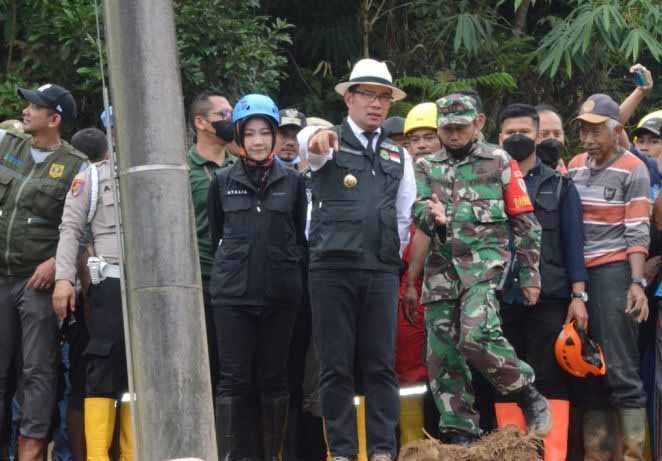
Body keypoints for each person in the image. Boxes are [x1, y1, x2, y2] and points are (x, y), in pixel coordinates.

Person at [413, 93, 550, 445]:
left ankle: (525, 391)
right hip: (441, 272)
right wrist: (432, 216)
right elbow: (418, 210)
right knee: (442, 355)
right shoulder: (427, 166)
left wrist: (530, 274)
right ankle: (459, 431)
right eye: (447, 128)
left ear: (478, 123)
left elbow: (525, 222)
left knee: (477, 336)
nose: (454, 134)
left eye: (461, 127)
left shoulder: (500, 161)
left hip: (483, 268)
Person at [300, 58, 415, 461]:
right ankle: (344, 452)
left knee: (381, 363)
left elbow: (405, 214)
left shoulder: (398, 156)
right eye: (368, 94)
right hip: (332, 268)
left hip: (381, 269)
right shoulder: (328, 141)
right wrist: (315, 137)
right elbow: (309, 146)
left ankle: (384, 449)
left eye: (384, 97)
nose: (376, 104)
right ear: (349, 97)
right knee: (335, 366)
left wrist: (388, 255)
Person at [207, 94, 307, 461]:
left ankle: (275, 455)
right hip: (232, 297)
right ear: (239, 137)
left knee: (275, 380)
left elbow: (300, 236)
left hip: (281, 295)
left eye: (265, 132)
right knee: (232, 381)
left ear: (276, 135)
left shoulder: (294, 183)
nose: (259, 140)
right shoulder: (221, 181)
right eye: (250, 133)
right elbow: (216, 231)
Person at [494, 104, 587, 461]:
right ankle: (513, 455)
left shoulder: (559, 185)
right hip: (499, 298)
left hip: (549, 297)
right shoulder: (488, 182)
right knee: (505, 378)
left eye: (524, 131)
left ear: (537, 135)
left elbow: (573, 243)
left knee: (549, 379)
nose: (517, 138)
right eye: (509, 133)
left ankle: (552, 456)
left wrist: (579, 294)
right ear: (498, 138)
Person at [0, 83, 87, 460]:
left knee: (38, 371)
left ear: (55, 119)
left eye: (35, 107)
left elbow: (83, 226)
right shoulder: (7, 146)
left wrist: (57, 262)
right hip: (0, 278)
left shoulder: (76, 164)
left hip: (37, 283)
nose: (26, 110)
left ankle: (31, 451)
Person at [568, 93, 651, 460]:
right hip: (579, 275)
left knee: (621, 369)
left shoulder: (634, 168)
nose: (587, 136)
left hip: (614, 270)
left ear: (616, 130)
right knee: (588, 369)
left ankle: (634, 454)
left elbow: (637, 229)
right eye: (583, 128)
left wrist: (636, 283)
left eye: (595, 129)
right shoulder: (574, 165)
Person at [52, 127, 134, 461]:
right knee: (101, 370)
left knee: (137, 380)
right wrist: (63, 280)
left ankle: (133, 455)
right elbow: (70, 229)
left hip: (153, 289)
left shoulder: (163, 173)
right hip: (109, 284)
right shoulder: (91, 177)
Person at [186, 91, 235, 390]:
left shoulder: (241, 168)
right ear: (201, 122)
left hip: (239, 280)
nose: (231, 120)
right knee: (205, 366)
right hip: (200, 280)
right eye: (224, 115)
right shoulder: (182, 168)